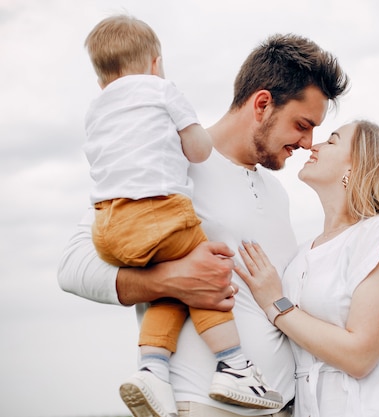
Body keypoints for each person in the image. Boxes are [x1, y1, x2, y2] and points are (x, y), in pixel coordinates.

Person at [58, 30, 349, 417]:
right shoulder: (167, 159)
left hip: (282, 407)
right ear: (262, 103)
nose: (309, 141)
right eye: (302, 124)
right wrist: (165, 282)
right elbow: (72, 266)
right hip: (202, 406)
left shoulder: (277, 193)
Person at [82, 14, 285, 414]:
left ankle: (152, 371)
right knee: (208, 270)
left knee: (175, 290)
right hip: (157, 212)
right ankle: (234, 365)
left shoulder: (96, 110)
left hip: (108, 223)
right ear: (156, 63)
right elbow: (199, 149)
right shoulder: (161, 91)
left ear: (100, 78)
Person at [236, 120, 379, 417]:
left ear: (356, 168)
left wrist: (276, 304)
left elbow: (360, 356)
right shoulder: (301, 254)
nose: (313, 145)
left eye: (332, 141)